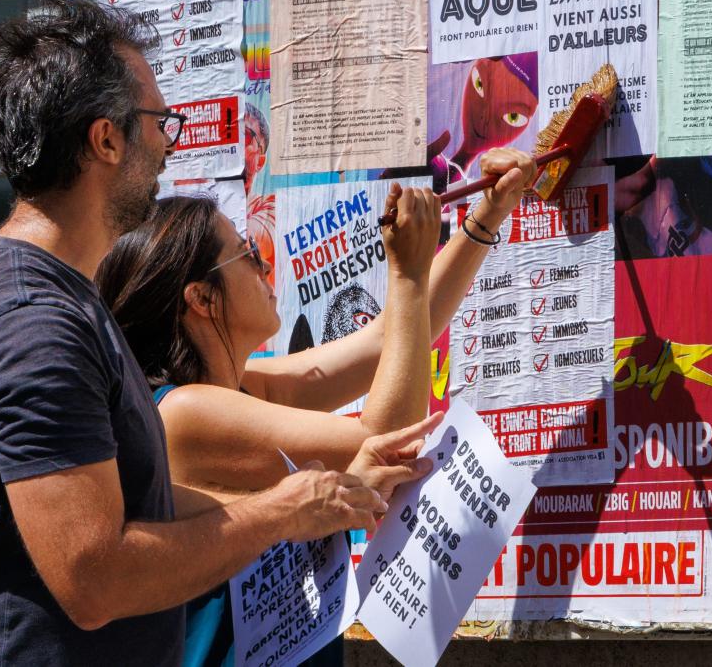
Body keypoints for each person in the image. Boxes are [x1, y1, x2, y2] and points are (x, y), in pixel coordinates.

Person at [0, 0, 432, 666]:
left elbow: (139, 504)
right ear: (106, 140)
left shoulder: (58, 298)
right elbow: (95, 577)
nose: (166, 144)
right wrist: (278, 514)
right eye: (158, 122)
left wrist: (302, 504)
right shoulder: (35, 324)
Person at [97, 156, 537, 664]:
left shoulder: (237, 387)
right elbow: (391, 439)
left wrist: (488, 213)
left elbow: (389, 338)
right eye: (244, 254)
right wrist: (407, 276)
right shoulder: (184, 411)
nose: (264, 264)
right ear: (200, 298)